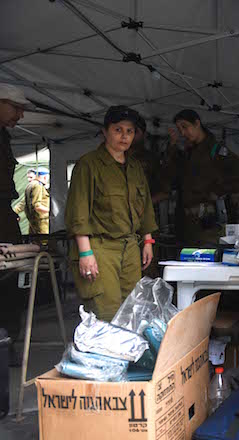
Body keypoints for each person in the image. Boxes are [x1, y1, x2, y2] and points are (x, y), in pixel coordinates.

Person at [65, 105, 157, 321]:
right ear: (105, 132)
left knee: (132, 311)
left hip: (130, 247)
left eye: (129, 131)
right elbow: (78, 210)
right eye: (118, 130)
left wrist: (147, 241)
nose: (124, 136)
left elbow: (145, 207)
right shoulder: (89, 164)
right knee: (107, 312)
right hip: (100, 247)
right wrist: (85, 253)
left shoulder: (135, 167)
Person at [158, 109, 239, 247]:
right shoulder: (189, 152)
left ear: (197, 123)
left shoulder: (215, 150)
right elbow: (172, 175)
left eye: (185, 127)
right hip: (187, 223)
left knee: (207, 256)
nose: (183, 133)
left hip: (207, 224)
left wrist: (217, 191)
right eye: (179, 129)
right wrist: (172, 147)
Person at [0, 83, 34, 365]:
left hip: (4, 214)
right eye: (16, 108)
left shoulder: (4, 137)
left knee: (10, 281)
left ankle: (6, 343)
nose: (20, 115)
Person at [25, 167, 50, 234]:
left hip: (33, 220)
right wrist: (50, 211)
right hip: (41, 221)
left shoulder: (30, 185)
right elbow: (37, 206)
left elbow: (25, 204)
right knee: (43, 239)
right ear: (45, 177)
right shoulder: (38, 186)